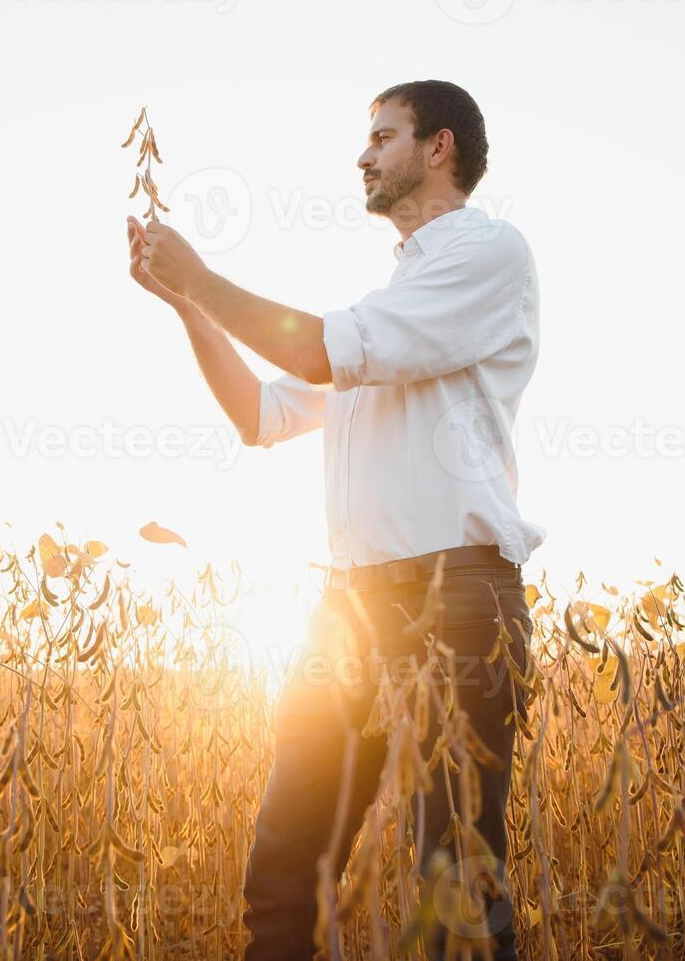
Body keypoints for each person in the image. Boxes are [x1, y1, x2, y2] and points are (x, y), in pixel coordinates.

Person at [124, 79, 542, 960]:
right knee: (286, 865)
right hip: (347, 612)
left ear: (440, 149)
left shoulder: (489, 255)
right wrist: (188, 305)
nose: (362, 154)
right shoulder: (387, 312)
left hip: (458, 597)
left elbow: (322, 348)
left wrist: (204, 273)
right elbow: (257, 415)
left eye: (383, 136)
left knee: (453, 882)